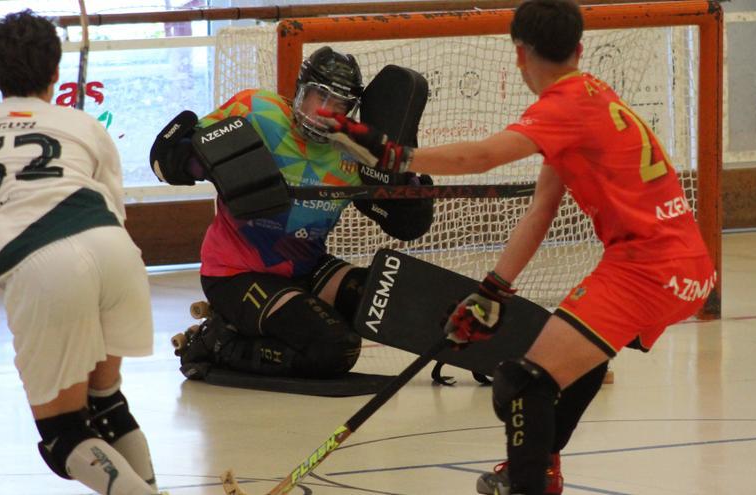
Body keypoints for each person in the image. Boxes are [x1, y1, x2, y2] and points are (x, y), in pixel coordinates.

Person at [322, 0, 716, 493]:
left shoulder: (561, 108)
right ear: (578, 48)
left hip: (646, 268)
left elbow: (483, 156)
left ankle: (533, 485)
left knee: (521, 384)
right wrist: (492, 292)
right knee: (579, 362)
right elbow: (541, 211)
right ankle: (540, 467)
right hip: (687, 265)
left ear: (519, 53)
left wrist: (396, 155)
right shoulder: (592, 94)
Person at [0, 10, 162, 495]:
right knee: (106, 403)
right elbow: (115, 208)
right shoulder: (86, 127)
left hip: (44, 264)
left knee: (63, 435)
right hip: (115, 250)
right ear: (56, 73)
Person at [149, 47, 433, 379]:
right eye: (319, 96)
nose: (325, 112)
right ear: (301, 90)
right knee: (337, 348)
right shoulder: (257, 110)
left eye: (339, 104)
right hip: (234, 275)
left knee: (390, 304)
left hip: (306, 268)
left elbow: (406, 226)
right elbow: (168, 163)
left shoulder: (353, 152)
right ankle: (217, 342)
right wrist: (194, 160)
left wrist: (409, 189)